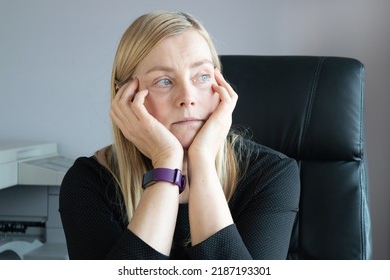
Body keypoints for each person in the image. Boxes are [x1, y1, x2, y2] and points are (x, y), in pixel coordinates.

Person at [59, 11, 300, 260]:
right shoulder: (88, 182)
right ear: (126, 97)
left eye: (202, 77)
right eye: (164, 81)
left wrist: (202, 160)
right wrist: (166, 161)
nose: (188, 97)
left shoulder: (271, 174)